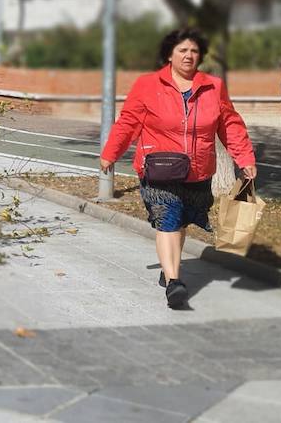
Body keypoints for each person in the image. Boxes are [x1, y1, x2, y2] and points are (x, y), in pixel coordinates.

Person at [100, 28, 257, 309]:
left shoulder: (213, 87)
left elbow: (230, 125)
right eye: (182, 50)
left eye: (194, 51)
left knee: (181, 220)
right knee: (168, 219)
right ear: (169, 55)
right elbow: (127, 123)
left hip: (198, 171)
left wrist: (244, 158)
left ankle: (167, 264)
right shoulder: (147, 85)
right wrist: (111, 153)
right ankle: (174, 282)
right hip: (160, 169)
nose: (189, 56)